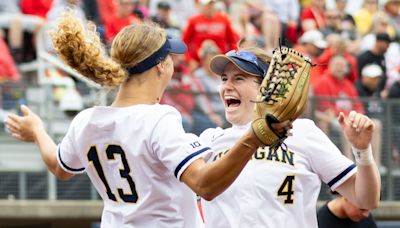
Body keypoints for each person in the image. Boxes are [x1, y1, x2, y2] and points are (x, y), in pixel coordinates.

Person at [3, 11, 289, 227]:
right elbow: (205, 185)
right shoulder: (158, 118)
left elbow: (59, 167)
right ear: (161, 65)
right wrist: (252, 138)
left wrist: (38, 130)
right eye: (171, 57)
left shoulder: (86, 120)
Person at [200, 46, 381, 228]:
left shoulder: (301, 132)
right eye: (224, 79)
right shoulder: (209, 140)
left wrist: (362, 151)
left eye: (239, 78)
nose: (226, 87)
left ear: (267, 87)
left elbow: (366, 200)